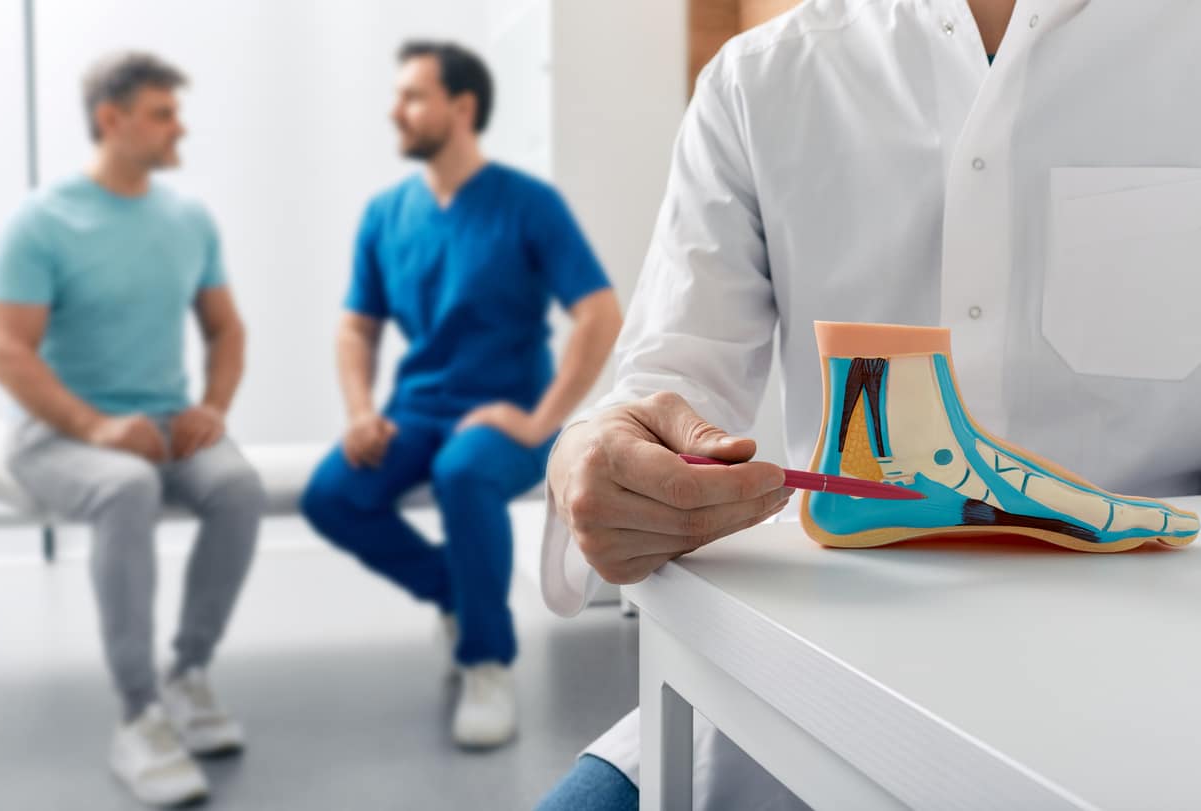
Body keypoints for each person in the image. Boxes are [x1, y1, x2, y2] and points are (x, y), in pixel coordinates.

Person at [536, 0, 1201, 808]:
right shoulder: (756, 84)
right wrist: (600, 454)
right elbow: (663, 391)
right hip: (791, 696)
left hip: (1149, 701)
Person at [300, 41, 622, 750]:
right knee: (329, 494)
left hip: (507, 413)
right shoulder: (386, 214)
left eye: (413, 95)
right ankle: (457, 590)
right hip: (417, 407)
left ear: (462, 107)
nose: (396, 110)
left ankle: (485, 659)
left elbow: (599, 310)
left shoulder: (526, 204)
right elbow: (356, 326)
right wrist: (360, 413)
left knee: (463, 470)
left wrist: (543, 418)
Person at [0, 52, 264, 807]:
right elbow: (7, 351)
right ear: (112, 120)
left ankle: (188, 674)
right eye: (163, 113)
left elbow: (226, 328)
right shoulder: (42, 220)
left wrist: (213, 405)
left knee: (239, 486)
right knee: (127, 488)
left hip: (165, 421)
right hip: (59, 433)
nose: (181, 127)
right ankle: (138, 713)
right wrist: (96, 427)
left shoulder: (187, 217)